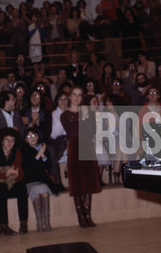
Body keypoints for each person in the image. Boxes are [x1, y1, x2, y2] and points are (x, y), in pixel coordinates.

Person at [61, 86, 101, 228]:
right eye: (74, 95)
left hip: (87, 146)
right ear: (70, 97)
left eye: (79, 95)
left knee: (89, 183)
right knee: (77, 184)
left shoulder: (88, 112)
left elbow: (92, 131)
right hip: (74, 147)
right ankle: (81, 217)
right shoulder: (65, 115)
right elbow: (72, 132)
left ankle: (88, 216)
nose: (77, 98)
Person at [0, 128, 28, 235]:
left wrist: (17, 175)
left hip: (12, 181)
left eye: (12, 140)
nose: (9, 143)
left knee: (22, 188)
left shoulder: (17, 152)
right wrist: (6, 173)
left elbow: (21, 173)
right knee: (1, 188)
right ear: (2, 140)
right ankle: (3, 226)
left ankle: (24, 223)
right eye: (7, 140)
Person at [22, 127, 57, 232]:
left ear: (38, 137)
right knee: (38, 192)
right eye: (29, 136)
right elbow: (29, 170)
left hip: (43, 181)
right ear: (25, 139)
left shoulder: (43, 149)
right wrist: (38, 155)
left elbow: (49, 167)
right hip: (30, 182)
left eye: (34, 135)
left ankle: (47, 222)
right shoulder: (24, 151)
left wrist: (43, 155)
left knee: (44, 192)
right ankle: (39, 223)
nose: (32, 138)